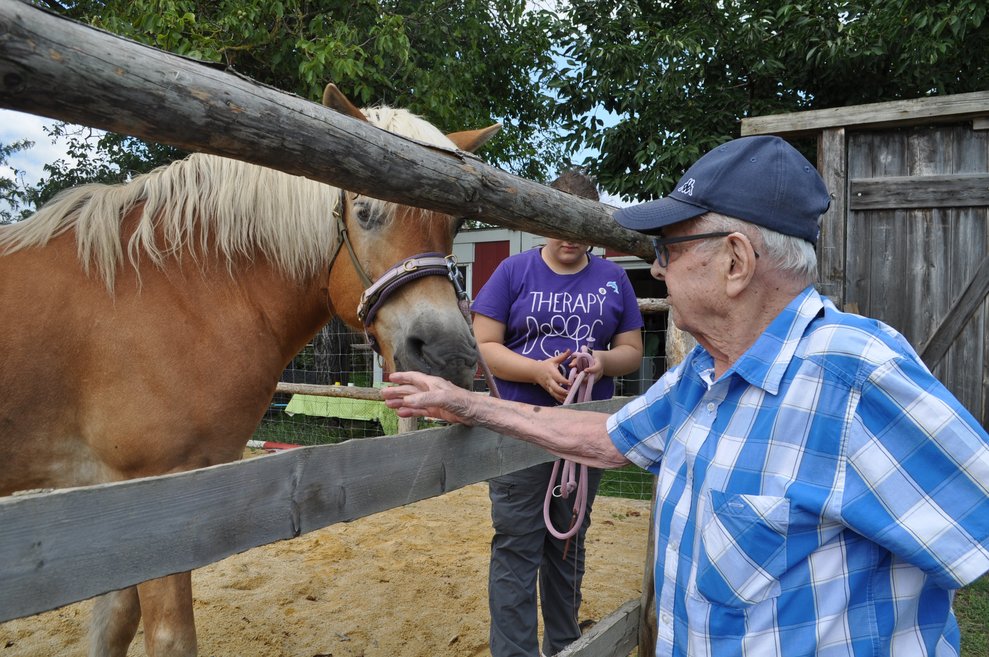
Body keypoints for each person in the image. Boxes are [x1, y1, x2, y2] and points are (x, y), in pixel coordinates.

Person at [383, 135, 989, 657]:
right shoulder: (706, 372)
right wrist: (466, 404)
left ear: (735, 261)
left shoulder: (854, 377)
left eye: (669, 251)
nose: (658, 271)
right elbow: (603, 437)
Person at [472, 169, 644, 657]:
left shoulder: (612, 278)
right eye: (561, 222)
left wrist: (601, 360)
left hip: (584, 431)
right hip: (520, 429)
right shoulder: (512, 271)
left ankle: (565, 647)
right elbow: (485, 345)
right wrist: (535, 372)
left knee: (568, 545)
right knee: (517, 545)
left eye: (583, 226)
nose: (571, 237)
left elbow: (631, 348)